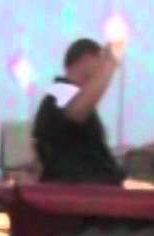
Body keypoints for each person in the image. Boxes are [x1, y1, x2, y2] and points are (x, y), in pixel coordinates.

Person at [33, 37, 128, 185]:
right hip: (83, 193)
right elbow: (76, 111)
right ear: (86, 59)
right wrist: (110, 62)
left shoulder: (62, 94)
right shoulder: (60, 91)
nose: (100, 71)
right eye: (99, 62)